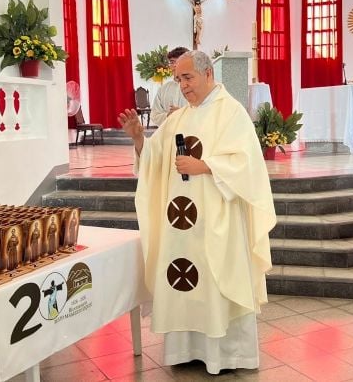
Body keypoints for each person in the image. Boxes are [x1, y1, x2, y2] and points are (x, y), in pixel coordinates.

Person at [117, 50, 276, 374]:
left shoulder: (231, 112)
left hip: (218, 219)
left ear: (208, 75)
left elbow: (247, 162)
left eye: (187, 78)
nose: (183, 86)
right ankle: (186, 350)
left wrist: (205, 166)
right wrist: (138, 140)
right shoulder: (178, 118)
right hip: (182, 226)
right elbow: (154, 159)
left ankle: (226, 355)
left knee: (217, 282)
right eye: (179, 79)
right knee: (184, 280)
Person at [151, 47, 190, 126]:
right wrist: (168, 115)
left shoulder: (196, 86)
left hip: (191, 134)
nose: (175, 65)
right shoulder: (163, 89)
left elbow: (204, 113)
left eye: (179, 61)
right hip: (168, 134)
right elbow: (154, 115)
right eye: (172, 62)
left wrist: (183, 114)